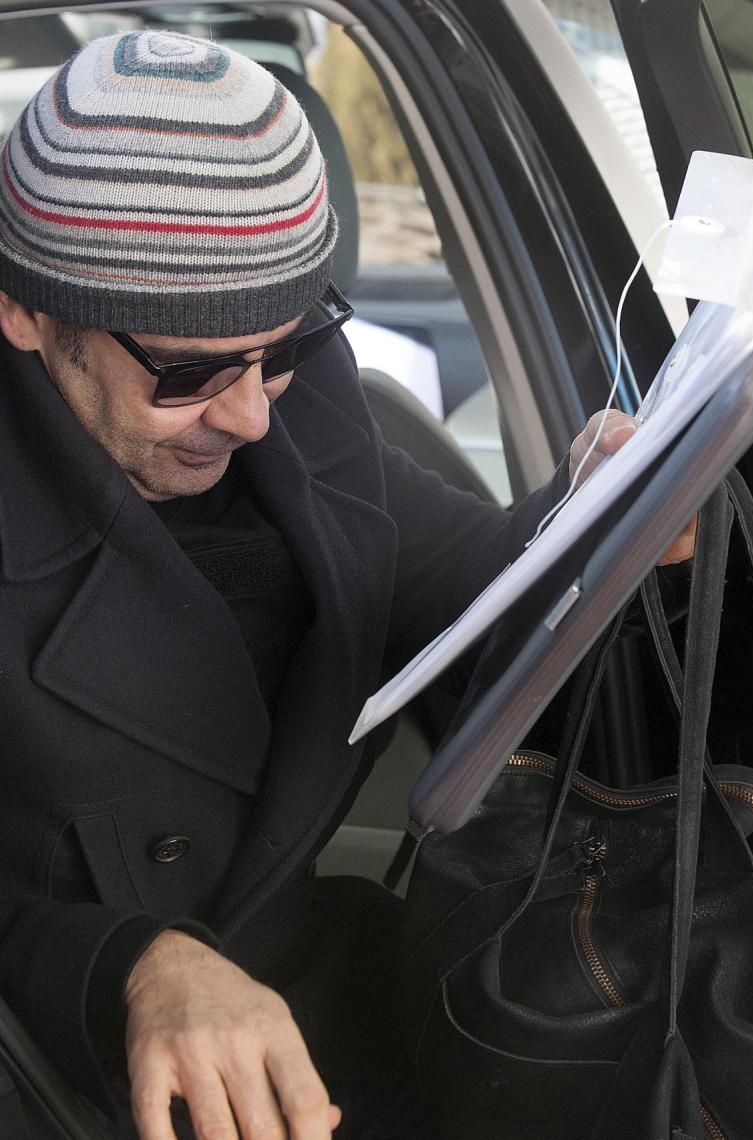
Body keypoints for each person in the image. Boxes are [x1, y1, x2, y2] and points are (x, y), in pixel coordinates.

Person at [0, 29, 694, 1140]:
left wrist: (591, 514)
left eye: (281, 348)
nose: (252, 416)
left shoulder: (314, 408)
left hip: (335, 1031)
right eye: (187, 373)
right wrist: (126, 967)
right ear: (28, 313)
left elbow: (466, 598)